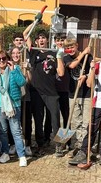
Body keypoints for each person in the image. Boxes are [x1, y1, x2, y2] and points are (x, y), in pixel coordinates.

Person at [23, 25, 62, 157]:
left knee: (55, 119)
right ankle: (40, 145)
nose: (41, 40)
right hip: (36, 93)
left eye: (43, 38)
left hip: (52, 93)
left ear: (47, 40)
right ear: (36, 41)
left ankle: (59, 145)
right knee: (38, 120)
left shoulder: (54, 53)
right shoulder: (34, 52)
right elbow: (25, 34)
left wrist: (60, 56)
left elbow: (61, 72)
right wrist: (36, 21)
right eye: (38, 38)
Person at [0, 50, 27, 167]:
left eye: (4, 58)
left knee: (16, 131)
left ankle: (22, 155)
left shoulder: (15, 70)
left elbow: (22, 82)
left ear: (7, 59)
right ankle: (5, 152)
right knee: (3, 131)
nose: (1, 61)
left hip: (13, 105)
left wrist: (14, 70)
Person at [62, 38, 92, 159]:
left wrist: (86, 75)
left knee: (86, 122)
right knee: (75, 122)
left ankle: (85, 147)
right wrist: (83, 53)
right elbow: (73, 65)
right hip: (73, 93)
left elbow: (94, 70)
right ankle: (79, 146)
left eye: (72, 47)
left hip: (87, 94)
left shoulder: (88, 57)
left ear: (77, 45)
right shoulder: (66, 58)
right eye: (67, 48)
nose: (70, 50)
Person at [10, 45, 33, 156]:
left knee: (27, 122)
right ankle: (13, 144)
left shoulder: (24, 65)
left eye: (18, 53)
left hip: (25, 98)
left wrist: (27, 70)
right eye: (13, 53)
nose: (16, 55)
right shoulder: (9, 65)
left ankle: (27, 144)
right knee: (13, 122)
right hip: (13, 99)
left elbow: (29, 81)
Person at [54, 33, 69, 155]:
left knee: (66, 117)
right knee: (55, 118)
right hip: (54, 90)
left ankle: (66, 141)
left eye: (62, 40)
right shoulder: (52, 54)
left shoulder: (68, 55)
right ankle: (58, 143)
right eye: (58, 40)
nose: (60, 42)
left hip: (66, 90)